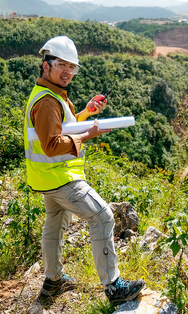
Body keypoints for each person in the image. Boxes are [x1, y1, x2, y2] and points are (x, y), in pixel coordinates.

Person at [23, 35, 145, 304]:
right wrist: (87, 136)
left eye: (72, 67)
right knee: (102, 217)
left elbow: (61, 129)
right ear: (46, 65)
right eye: (62, 65)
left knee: (54, 227)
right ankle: (114, 287)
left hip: (47, 177)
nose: (68, 72)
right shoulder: (47, 102)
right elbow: (53, 144)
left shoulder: (53, 95)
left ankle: (53, 281)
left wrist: (87, 114)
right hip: (60, 177)